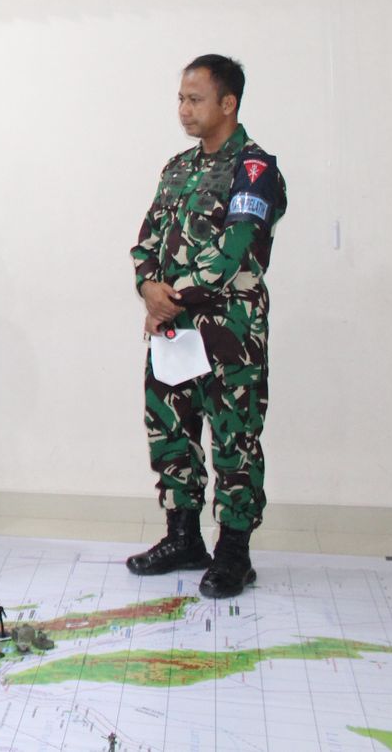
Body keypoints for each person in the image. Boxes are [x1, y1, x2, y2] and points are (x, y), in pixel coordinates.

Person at [127, 55, 285, 599]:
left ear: (228, 103)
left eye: (195, 99)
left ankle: (234, 553)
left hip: (229, 332)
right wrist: (148, 285)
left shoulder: (254, 170)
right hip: (174, 331)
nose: (184, 109)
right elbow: (147, 240)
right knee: (171, 430)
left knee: (235, 439)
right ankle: (183, 538)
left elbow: (233, 250)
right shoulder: (177, 168)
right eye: (180, 99)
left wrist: (168, 299)